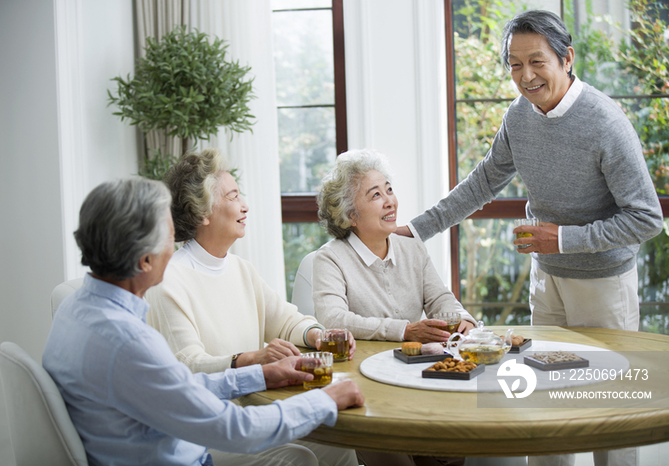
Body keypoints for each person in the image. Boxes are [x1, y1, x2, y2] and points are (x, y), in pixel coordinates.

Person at [396, 10, 662, 466]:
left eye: (536, 61)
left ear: (566, 58)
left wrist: (561, 239)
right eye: (515, 65)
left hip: (603, 284)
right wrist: (417, 229)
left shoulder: (604, 122)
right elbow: (482, 183)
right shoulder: (518, 118)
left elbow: (646, 218)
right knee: (547, 399)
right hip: (547, 279)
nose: (526, 75)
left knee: (606, 405)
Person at [43, 177, 364, 466]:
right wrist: (322, 400)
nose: (175, 248)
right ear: (145, 260)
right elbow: (233, 430)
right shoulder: (128, 342)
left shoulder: (75, 308)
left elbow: (176, 388)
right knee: (299, 456)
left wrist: (261, 375)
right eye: (170, 238)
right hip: (183, 456)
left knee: (335, 446)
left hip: (144, 443)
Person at [313, 149, 472, 466]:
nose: (390, 201)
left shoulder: (412, 247)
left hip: (418, 379)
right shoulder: (329, 259)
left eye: (389, 189)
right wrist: (405, 330)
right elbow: (332, 319)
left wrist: (463, 319)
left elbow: (439, 297)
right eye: (375, 195)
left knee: (452, 449)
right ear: (350, 215)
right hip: (366, 386)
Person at [145, 149, 356, 376]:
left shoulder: (242, 269)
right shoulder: (168, 280)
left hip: (254, 398)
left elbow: (285, 322)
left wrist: (317, 335)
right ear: (201, 213)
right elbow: (189, 364)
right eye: (233, 197)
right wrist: (252, 359)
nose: (244, 205)